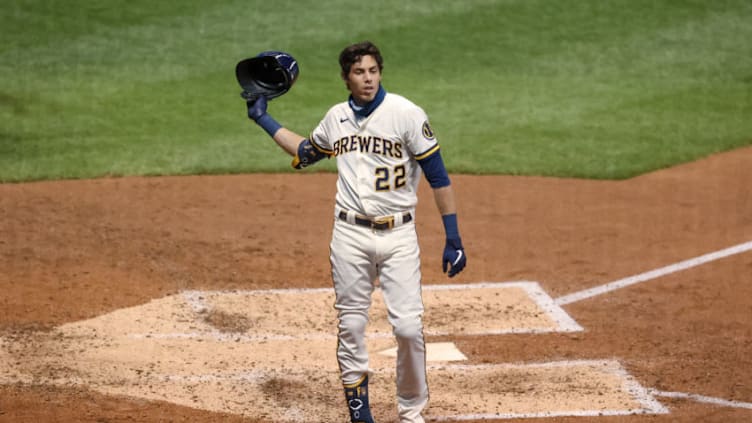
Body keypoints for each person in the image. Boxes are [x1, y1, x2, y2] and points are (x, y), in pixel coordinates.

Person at [244, 41, 466, 423]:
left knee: (409, 329)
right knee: (350, 324)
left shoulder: (406, 114)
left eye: (373, 71)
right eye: (360, 72)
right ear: (346, 78)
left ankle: (411, 412)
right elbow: (305, 154)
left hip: (399, 236)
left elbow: (438, 176)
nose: (368, 79)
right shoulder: (336, 118)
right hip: (349, 236)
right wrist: (263, 119)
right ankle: (360, 415)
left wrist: (453, 237)